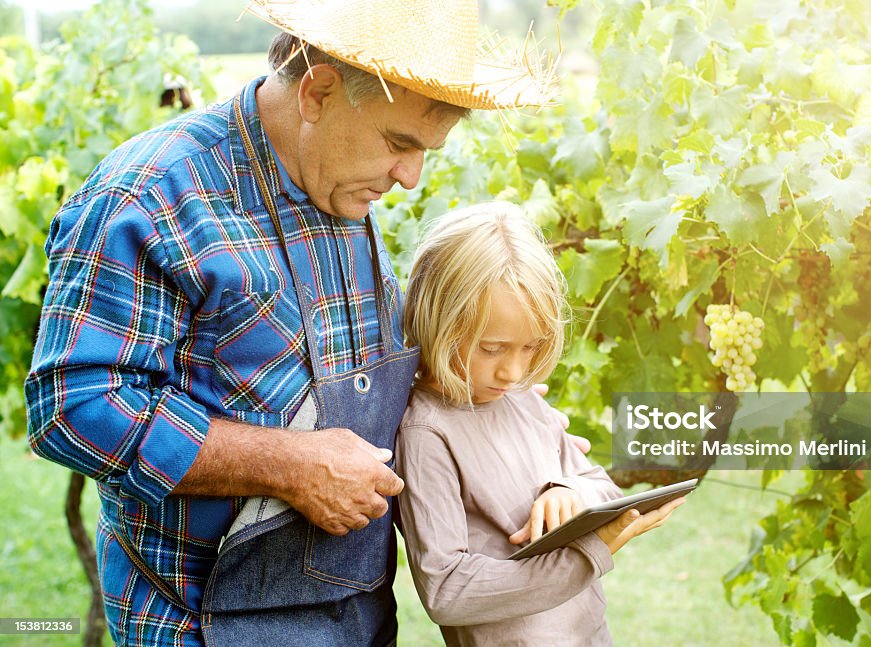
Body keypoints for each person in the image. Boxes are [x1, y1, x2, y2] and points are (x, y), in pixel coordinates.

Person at [24, 1, 559, 645]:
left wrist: (520, 437)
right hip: (203, 628)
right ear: (318, 91)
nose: (412, 178)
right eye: (400, 145)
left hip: (355, 621)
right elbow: (72, 408)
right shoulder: (149, 197)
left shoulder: (336, 179)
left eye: (427, 152)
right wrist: (289, 465)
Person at [396, 202, 686, 645]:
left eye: (530, 348)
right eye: (492, 348)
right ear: (438, 319)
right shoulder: (427, 433)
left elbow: (600, 483)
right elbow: (447, 589)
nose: (512, 372)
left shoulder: (524, 402)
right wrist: (589, 554)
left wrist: (571, 490)